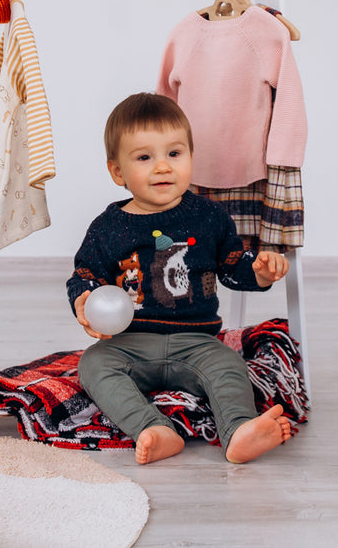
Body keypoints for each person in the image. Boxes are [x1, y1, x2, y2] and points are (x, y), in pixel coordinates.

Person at [66, 92, 292, 465]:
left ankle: (239, 431)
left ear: (190, 156)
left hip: (197, 342)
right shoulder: (108, 228)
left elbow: (233, 267)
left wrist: (259, 271)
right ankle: (154, 429)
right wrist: (85, 300)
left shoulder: (210, 218)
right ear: (117, 171)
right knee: (93, 364)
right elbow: (85, 273)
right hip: (130, 344)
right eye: (144, 157)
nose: (163, 167)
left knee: (230, 366)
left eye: (174, 153)